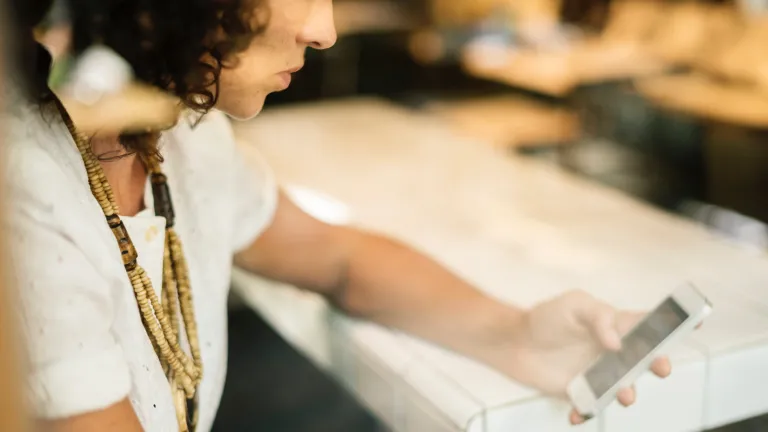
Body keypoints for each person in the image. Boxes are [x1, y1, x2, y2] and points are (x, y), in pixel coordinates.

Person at [4, 0, 674, 430]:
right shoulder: (26, 201)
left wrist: (519, 335)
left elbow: (338, 259)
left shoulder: (187, 136)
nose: (323, 30)